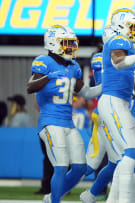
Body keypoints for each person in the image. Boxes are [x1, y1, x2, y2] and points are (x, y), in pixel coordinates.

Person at [26, 24, 102, 203]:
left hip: (68, 123)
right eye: (66, 43)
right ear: (53, 43)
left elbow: (88, 93)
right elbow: (30, 87)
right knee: (60, 166)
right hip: (50, 122)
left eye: (71, 43)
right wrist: (50, 76)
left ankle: (53, 196)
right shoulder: (43, 62)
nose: (70, 47)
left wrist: (109, 85)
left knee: (79, 168)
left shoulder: (73, 66)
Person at [97, 8, 135, 202]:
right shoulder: (118, 41)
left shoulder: (131, 46)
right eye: (133, 27)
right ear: (120, 26)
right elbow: (118, 62)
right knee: (132, 152)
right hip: (112, 101)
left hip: (121, 102)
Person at [80, 25, 123, 203]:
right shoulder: (104, 59)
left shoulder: (102, 58)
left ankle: (94, 194)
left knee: (116, 159)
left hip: (113, 111)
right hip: (110, 112)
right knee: (98, 161)